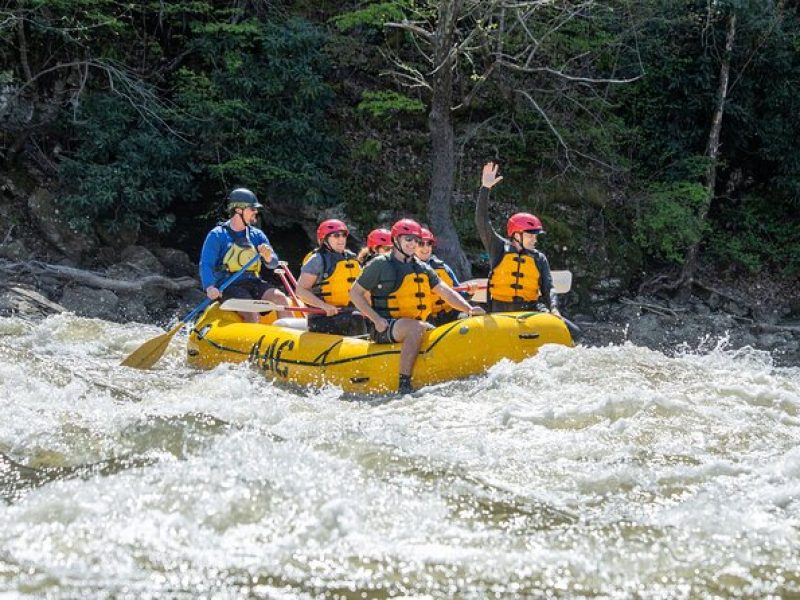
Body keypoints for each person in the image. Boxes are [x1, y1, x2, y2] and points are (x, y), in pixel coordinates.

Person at [349, 218, 485, 394]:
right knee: (416, 328)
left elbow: (445, 291)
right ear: (396, 240)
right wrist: (376, 319)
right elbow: (355, 293)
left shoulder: (421, 267)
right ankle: (404, 384)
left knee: (432, 330)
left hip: (412, 325)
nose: (413, 244)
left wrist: (469, 309)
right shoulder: (379, 264)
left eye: (417, 240)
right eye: (408, 239)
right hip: (385, 326)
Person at [476, 162, 580, 339]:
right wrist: (485, 188)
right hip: (500, 310)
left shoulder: (539, 258)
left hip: (530, 310)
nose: (535, 238)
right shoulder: (498, 248)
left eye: (536, 234)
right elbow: (482, 221)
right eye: (530, 234)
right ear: (516, 235)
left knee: (575, 333)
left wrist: (554, 309)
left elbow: (549, 288)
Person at [199, 188, 290, 323]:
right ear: (238, 210)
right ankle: (253, 342)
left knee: (280, 298)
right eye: (252, 209)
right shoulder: (217, 235)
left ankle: (291, 338)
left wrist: (268, 257)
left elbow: (273, 263)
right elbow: (206, 264)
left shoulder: (257, 235)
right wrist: (210, 287)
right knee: (251, 311)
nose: (256, 212)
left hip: (253, 282)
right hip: (228, 286)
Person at [295, 219, 367, 336]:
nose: (341, 239)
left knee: (373, 319)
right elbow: (301, 290)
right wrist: (324, 306)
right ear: (325, 240)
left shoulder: (353, 259)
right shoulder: (317, 260)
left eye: (344, 235)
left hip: (350, 312)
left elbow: (364, 291)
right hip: (322, 317)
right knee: (356, 318)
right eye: (336, 236)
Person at [415, 227, 471, 326]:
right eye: (421, 244)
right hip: (427, 318)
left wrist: (470, 293)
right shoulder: (409, 270)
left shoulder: (443, 267)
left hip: (451, 314)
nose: (425, 247)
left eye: (429, 243)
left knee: (469, 322)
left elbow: (460, 294)